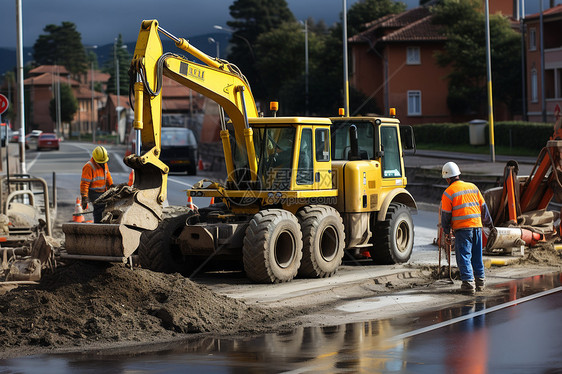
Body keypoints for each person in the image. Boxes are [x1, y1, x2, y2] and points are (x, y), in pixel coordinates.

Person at [441, 161, 494, 295]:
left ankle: (468, 284)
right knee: (477, 255)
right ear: (458, 174)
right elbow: (484, 209)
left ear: (447, 178)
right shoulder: (473, 187)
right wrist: (490, 226)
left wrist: (447, 233)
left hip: (463, 229)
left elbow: (446, 216)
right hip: (477, 226)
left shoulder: (448, 193)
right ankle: (480, 282)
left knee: (463, 256)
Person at [80, 146, 114, 223]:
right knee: (99, 207)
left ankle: (105, 223)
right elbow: (84, 183)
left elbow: (107, 176)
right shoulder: (89, 166)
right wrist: (84, 197)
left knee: (109, 205)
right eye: (100, 162)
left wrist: (111, 185)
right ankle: (98, 224)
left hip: (103, 191)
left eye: (103, 162)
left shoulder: (104, 164)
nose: (102, 163)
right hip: (94, 192)